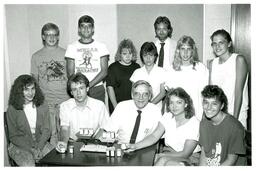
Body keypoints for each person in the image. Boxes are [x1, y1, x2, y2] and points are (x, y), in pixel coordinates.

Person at [125, 87, 200, 166]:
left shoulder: (194, 123)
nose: (174, 106)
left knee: (163, 161)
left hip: (190, 158)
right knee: (146, 160)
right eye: (171, 103)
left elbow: (185, 153)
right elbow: (154, 136)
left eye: (179, 102)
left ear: (186, 104)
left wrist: (161, 155)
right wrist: (135, 146)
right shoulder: (167, 116)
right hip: (169, 152)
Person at [31, 23, 69, 146]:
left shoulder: (67, 53)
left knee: (67, 134)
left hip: (65, 100)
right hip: (47, 102)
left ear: (58, 37)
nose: (51, 37)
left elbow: (72, 76)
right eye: (48, 34)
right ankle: (55, 162)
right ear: (43, 36)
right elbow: (34, 80)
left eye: (54, 35)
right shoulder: (36, 56)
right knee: (52, 133)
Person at [6, 75, 53, 166]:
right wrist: (31, 150)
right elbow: (14, 136)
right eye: (26, 89)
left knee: (56, 159)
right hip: (19, 144)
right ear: (19, 91)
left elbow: (47, 130)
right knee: (29, 164)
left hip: (40, 142)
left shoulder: (42, 105)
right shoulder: (12, 109)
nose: (30, 93)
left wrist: (39, 148)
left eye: (32, 89)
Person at [56, 73, 109, 152]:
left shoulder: (99, 105)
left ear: (87, 88)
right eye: (74, 89)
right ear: (71, 92)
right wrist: (63, 142)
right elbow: (64, 128)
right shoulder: (65, 106)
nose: (78, 93)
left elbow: (104, 128)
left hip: (95, 143)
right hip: (72, 144)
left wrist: (92, 144)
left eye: (81, 88)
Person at [208, 29, 248, 129]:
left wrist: (234, 120)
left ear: (229, 43)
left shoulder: (238, 60)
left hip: (236, 113)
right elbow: (211, 93)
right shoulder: (212, 63)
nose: (217, 47)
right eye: (214, 44)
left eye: (221, 43)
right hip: (217, 113)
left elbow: (239, 92)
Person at [65, 15, 109, 103]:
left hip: (96, 88)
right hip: (78, 89)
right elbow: (70, 73)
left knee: (97, 115)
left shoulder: (101, 46)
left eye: (89, 26)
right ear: (79, 29)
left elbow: (104, 71)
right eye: (83, 26)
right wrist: (81, 87)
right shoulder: (72, 47)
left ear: (93, 29)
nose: (86, 29)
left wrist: (89, 85)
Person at [199, 85, 246, 166]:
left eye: (214, 104)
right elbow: (204, 154)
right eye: (206, 102)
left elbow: (231, 161)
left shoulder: (235, 127)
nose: (209, 107)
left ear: (222, 106)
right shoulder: (204, 123)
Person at [165, 35, 208, 121]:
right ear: (178, 50)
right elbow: (169, 97)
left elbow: (205, 94)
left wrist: (204, 113)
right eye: (182, 49)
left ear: (192, 51)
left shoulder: (200, 68)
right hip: (177, 115)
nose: (185, 53)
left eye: (188, 49)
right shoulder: (171, 70)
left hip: (197, 114)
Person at [106, 39, 140, 114]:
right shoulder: (113, 67)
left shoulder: (137, 67)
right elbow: (109, 88)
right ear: (120, 54)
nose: (128, 56)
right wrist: (116, 107)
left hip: (132, 106)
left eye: (130, 53)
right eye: (125, 54)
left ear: (133, 54)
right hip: (117, 105)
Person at [130, 42, 166, 110]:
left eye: (151, 55)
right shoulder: (137, 72)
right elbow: (133, 92)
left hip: (156, 108)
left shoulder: (162, 71)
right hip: (139, 107)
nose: (148, 58)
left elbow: (162, 93)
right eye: (145, 55)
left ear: (155, 56)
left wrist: (149, 106)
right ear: (141, 57)